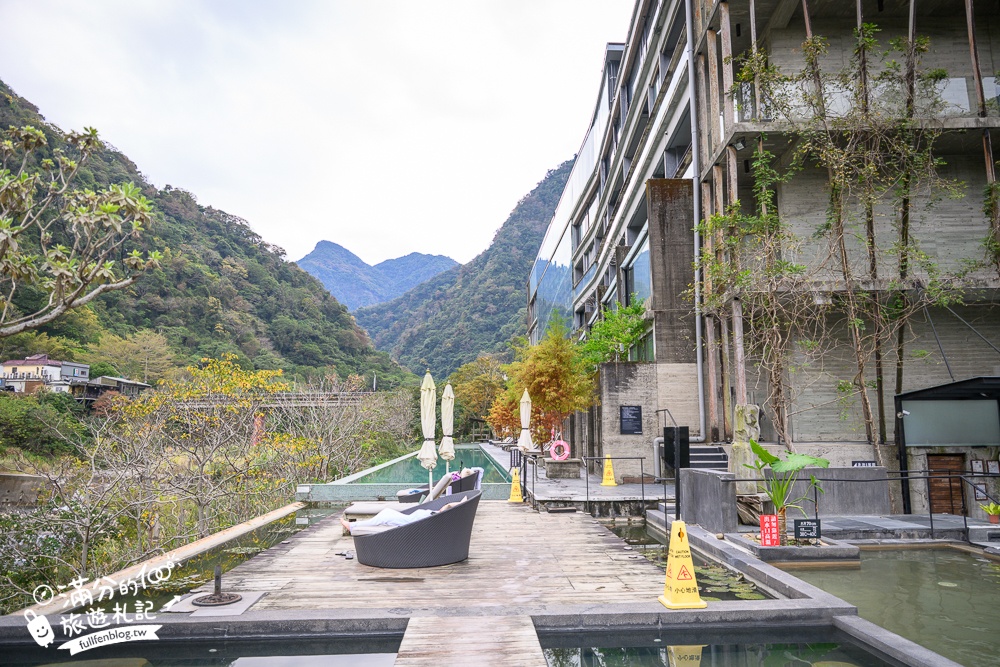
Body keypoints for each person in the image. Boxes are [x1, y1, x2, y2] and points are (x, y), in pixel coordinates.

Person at [341, 495, 469, 536]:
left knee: (384, 517)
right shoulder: (437, 515)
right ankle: (354, 526)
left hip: (407, 524)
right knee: (385, 514)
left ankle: (353, 526)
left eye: (444, 507)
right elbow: (449, 507)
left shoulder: (437, 516)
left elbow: (449, 506)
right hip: (408, 520)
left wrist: (451, 506)